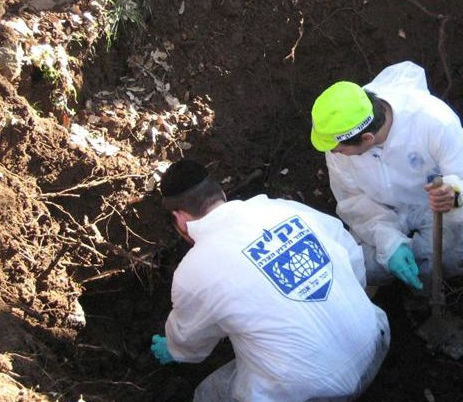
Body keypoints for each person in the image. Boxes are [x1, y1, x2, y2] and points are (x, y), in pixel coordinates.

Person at [150, 160, 390, 402]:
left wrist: (174, 349)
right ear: (221, 194)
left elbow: (191, 343)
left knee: (207, 394)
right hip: (375, 342)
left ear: (180, 219)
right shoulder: (284, 209)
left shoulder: (193, 271)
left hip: (312, 395)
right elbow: (351, 257)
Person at [309, 60, 463, 291]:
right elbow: (354, 201)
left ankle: (445, 288)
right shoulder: (338, 138)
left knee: (450, 258)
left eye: (338, 148)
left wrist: (456, 196)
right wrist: (390, 241)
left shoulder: (433, 122)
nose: (333, 152)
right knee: (360, 266)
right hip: (381, 209)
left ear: (367, 138)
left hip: (433, 206)